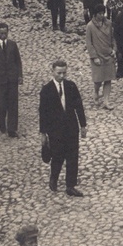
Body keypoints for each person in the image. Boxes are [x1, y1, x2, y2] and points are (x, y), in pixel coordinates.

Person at [39, 59, 87, 197]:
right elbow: (42, 113)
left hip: (71, 128)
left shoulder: (71, 86)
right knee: (57, 156)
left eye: (64, 73)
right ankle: (54, 177)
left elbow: (79, 106)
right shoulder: (46, 90)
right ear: (52, 72)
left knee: (73, 157)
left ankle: (70, 186)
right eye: (59, 73)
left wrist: (83, 125)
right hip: (55, 131)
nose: (62, 76)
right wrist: (43, 133)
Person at [0, 23, 23, 137]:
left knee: (13, 104)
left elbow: (18, 61)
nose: (4, 35)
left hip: (12, 80)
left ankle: (12, 128)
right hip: (0, 81)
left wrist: (20, 76)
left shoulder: (13, 45)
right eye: (1, 33)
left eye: (5, 33)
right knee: (1, 105)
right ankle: (2, 122)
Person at [85, 4, 117, 109]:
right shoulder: (90, 26)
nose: (102, 15)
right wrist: (94, 57)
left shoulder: (109, 23)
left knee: (108, 79)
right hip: (98, 57)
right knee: (98, 80)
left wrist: (114, 50)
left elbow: (113, 39)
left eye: (103, 13)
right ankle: (96, 92)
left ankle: (106, 101)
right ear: (95, 14)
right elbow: (89, 44)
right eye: (99, 13)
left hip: (108, 55)